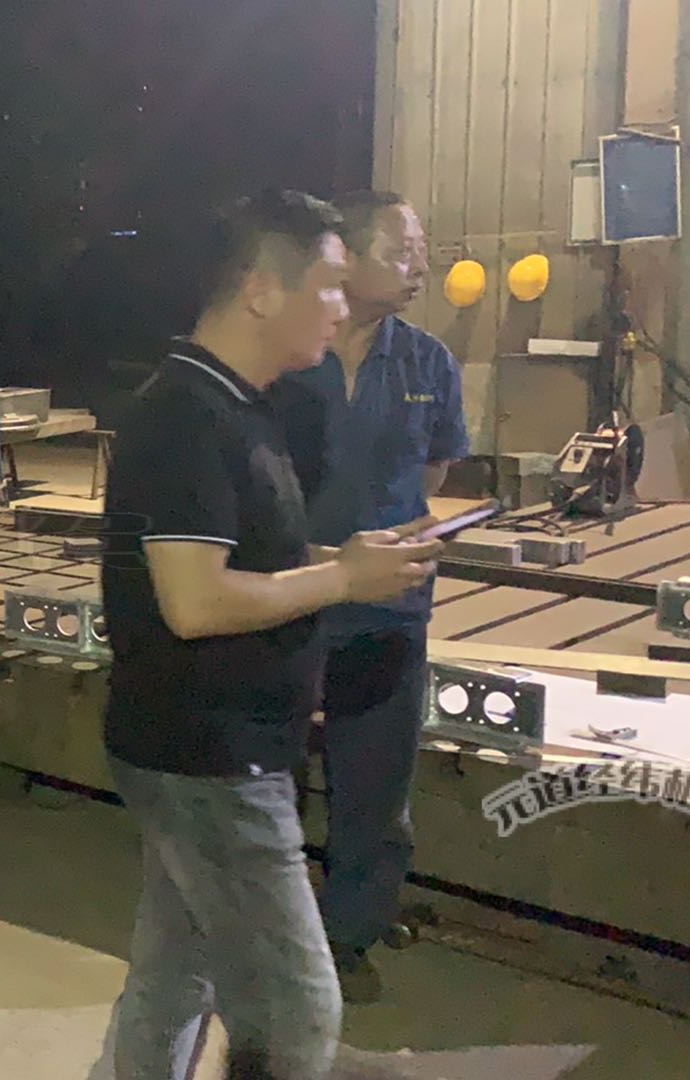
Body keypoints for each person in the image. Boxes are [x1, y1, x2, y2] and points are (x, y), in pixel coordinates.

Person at [97, 190, 444, 1080]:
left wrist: (348, 558)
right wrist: (343, 580)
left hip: (217, 747)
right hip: (211, 757)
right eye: (327, 283)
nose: (341, 302)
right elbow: (194, 601)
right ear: (260, 290)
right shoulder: (187, 416)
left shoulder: (245, 407)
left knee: (175, 979)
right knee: (295, 1013)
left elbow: (253, 557)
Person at [271, 191, 466, 1004]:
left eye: (421, 251)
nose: (420, 267)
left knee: (375, 789)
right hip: (285, 602)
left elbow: (434, 472)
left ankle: (348, 935)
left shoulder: (428, 363)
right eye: (401, 251)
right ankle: (273, 933)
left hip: (389, 609)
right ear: (344, 256)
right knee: (271, 780)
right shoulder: (287, 359)